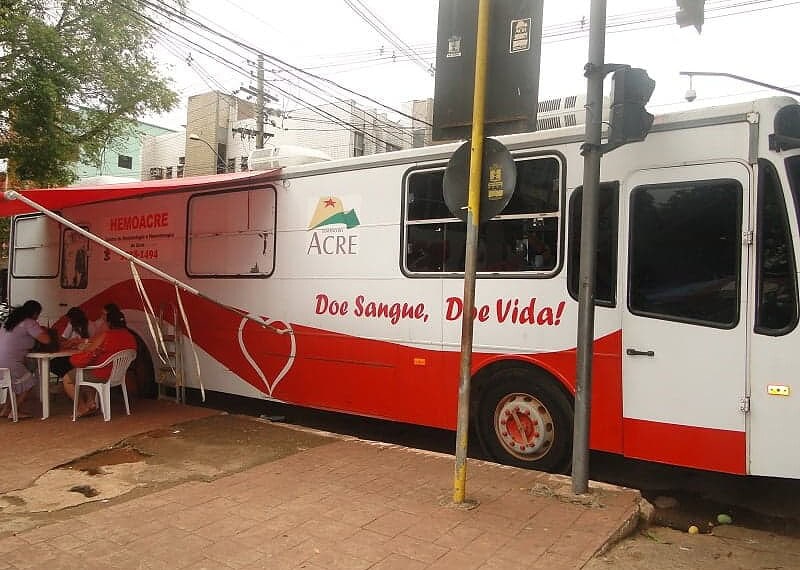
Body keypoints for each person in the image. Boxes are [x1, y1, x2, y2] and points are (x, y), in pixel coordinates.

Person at [62, 305, 136, 418]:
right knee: (86, 374)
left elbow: (88, 350)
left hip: (102, 373)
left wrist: (82, 345)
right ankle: (91, 403)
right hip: (118, 375)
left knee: (68, 379)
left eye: (104, 320)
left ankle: (82, 407)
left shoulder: (106, 335)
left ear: (109, 323)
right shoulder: (130, 336)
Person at [0, 300, 53, 418]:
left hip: (2, 361)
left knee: (13, 383)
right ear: (35, 313)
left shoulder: (9, 322)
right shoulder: (29, 323)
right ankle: (15, 411)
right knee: (29, 382)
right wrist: (43, 330)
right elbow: (46, 340)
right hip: (10, 362)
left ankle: (6, 409)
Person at [50, 307, 92, 380]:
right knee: (56, 363)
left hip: (78, 356)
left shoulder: (76, 325)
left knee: (53, 364)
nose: (69, 320)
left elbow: (64, 338)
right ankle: (70, 378)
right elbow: (64, 338)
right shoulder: (88, 324)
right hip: (80, 355)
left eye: (69, 318)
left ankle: (69, 378)